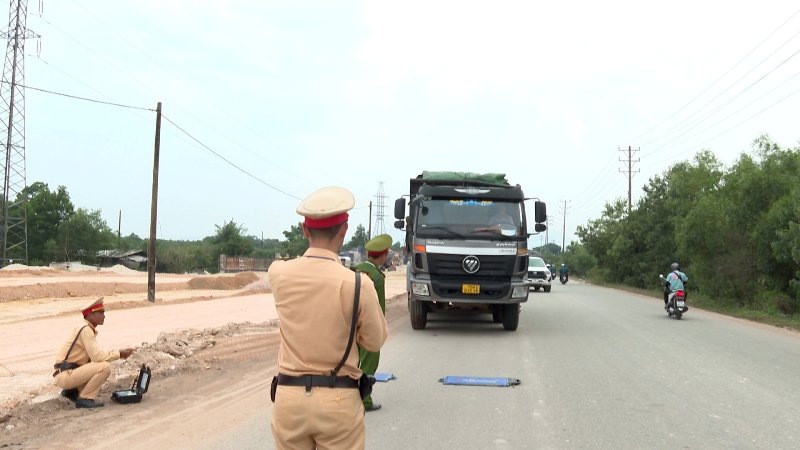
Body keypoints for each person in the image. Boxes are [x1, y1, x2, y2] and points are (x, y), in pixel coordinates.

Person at [268, 186, 389, 450]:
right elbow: (374, 341)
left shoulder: (279, 274)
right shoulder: (359, 284)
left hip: (289, 398)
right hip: (338, 401)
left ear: (304, 230)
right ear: (344, 231)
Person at [52, 297, 135, 408]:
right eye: (101, 312)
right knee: (105, 367)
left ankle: (71, 391)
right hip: (65, 376)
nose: (104, 316)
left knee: (96, 365)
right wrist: (119, 354)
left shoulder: (84, 327)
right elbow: (96, 356)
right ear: (91, 315)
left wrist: (118, 353)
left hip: (66, 373)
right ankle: (85, 398)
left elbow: (94, 356)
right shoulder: (86, 329)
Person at [354, 233, 392, 412]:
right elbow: (379, 307)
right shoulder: (376, 276)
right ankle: (364, 400)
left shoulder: (354, 269)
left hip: (349, 326)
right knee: (369, 363)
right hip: (368, 327)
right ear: (383, 256)